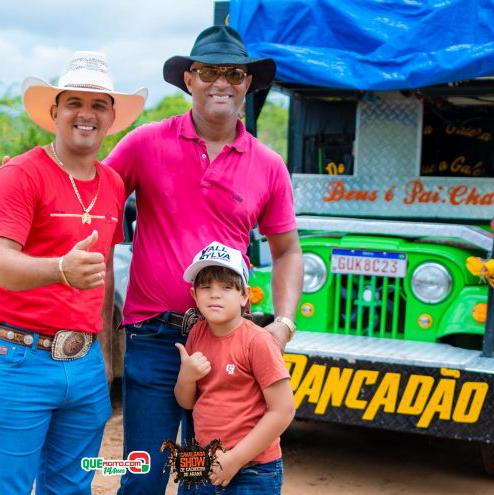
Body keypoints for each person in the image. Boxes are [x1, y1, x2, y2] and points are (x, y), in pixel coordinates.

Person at [106, 25, 303, 494]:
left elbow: (288, 250)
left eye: (234, 73)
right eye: (209, 71)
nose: (222, 83)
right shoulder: (144, 143)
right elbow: (94, 206)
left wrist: (285, 324)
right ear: (189, 79)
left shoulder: (268, 163)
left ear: (248, 84)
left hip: (227, 342)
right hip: (155, 338)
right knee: (144, 475)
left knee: (208, 476)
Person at [0, 51, 147, 495]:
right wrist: (59, 269)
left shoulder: (112, 185)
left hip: (85, 364)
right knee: (6, 488)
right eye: (74, 103)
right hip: (18, 360)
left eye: (98, 105)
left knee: (71, 488)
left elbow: (103, 274)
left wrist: (104, 360)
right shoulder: (19, 176)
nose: (85, 115)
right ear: (54, 112)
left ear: (111, 119)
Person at [175, 241, 295, 493]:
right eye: (205, 287)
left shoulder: (258, 341)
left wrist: (234, 459)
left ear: (244, 296)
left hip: (254, 469)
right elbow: (187, 403)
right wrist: (187, 377)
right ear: (194, 295)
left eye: (227, 287)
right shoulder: (197, 334)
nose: (214, 294)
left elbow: (283, 410)